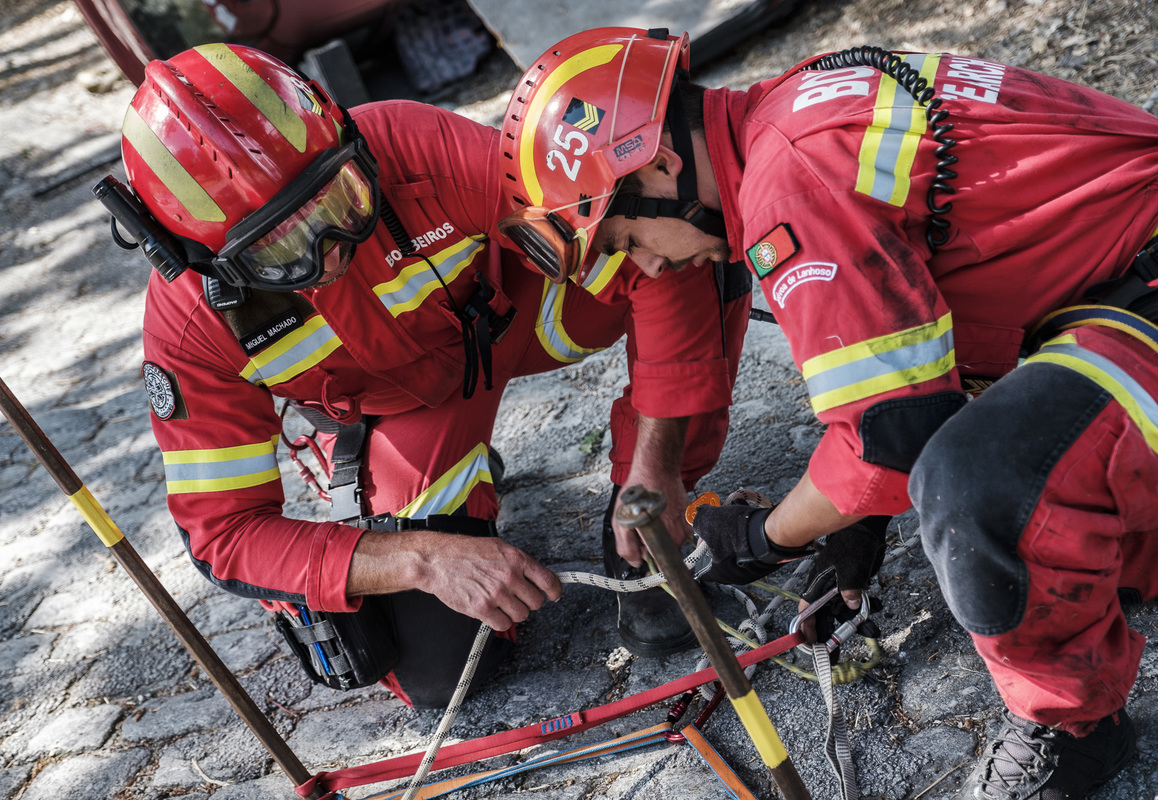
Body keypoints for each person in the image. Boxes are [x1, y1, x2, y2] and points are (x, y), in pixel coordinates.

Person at [496, 26, 1158, 799]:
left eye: (628, 236)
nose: (651, 263)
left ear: (660, 164)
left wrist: (763, 540)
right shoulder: (792, 111)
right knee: (1019, 560)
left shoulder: (789, 183)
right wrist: (855, 520)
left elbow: (893, 438)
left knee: (978, 491)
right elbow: (915, 354)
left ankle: (1072, 732)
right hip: (1146, 287)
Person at [104, 43, 750, 708]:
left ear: (347, 139)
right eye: (279, 248)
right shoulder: (194, 328)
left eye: (340, 198)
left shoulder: (409, 144)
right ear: (200, 259)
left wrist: (654, 465)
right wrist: (424, 558)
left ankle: (646, 539)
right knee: (441, 671)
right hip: (401, 411)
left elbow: (627, 228)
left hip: (521, 316)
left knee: (682, 239)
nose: (332, 248)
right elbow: (226, 534)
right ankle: (444, 490)